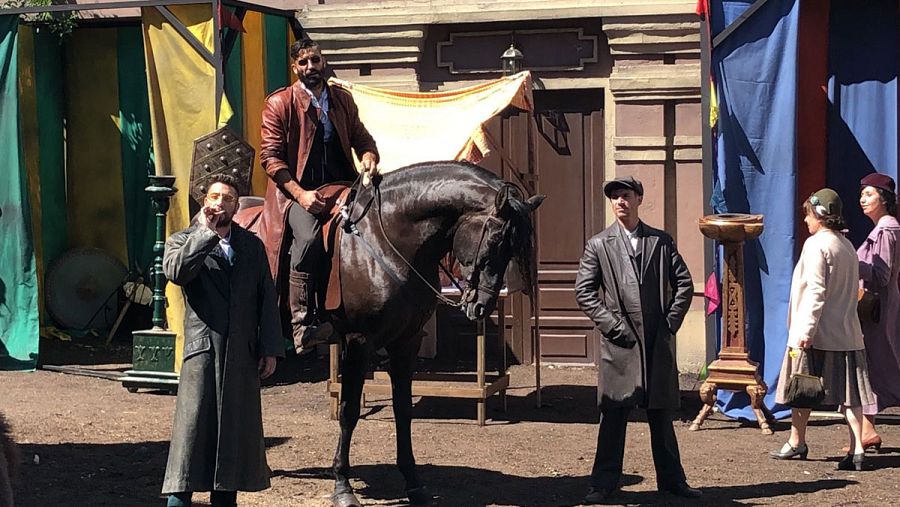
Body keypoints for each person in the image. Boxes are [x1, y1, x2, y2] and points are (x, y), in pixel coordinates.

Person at [574, 175, 699, 503]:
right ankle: (602, 484)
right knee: (613, 417)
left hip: (656, 344)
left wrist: (670, 323)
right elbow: (584, 292)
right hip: (620, 346)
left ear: (639, 199)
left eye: (626, 195)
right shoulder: (598, 244)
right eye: (615, 197)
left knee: (662, 417)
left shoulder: (660, 241)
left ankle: (673, 481)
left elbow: (684, 283)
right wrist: (613, 327)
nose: (620, 202)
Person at [161, 175, 283, 506]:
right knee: (191, 443)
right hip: (202, 355)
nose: (220, 203)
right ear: (205, 202)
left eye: (228, 199)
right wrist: (205, 233)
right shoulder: (182, 240)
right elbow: (176, 272)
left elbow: (265, 298)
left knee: (231, 443)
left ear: (236, 206)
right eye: (214, 197)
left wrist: (270, 348)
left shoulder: (251, 246)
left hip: (241, 358)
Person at [259, 38, 379, 353]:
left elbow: (362, 137)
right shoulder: (280, 103)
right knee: (309, 240)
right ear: (294, 67)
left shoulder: (342, 100)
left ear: (322, 60)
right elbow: (270, 159)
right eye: (303, 63)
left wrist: (368, 156)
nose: (311, 67)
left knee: (375, 226)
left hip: (342, 187)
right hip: (298, 193)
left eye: (315, 60)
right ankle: (301, 327)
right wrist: (300, 195)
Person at [770, 188, 875, 471]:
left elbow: (816, 291)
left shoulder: (817, 245)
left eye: (808, 214)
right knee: (850, 395)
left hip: (816, 335)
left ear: (819, 215)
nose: (805, 220)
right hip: (847, 333)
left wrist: (805, 331)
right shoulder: (847, 245)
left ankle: (796, 441)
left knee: (800, 388)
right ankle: (856, 450)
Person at [856, 173, 900, 451]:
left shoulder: (885, 230)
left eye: (869, 194)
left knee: (876, 363)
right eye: (862, 194)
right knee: (876, 363)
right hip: (882, 306)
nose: (863, 199)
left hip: (877, 309)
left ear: (883, 199)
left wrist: (852, 263)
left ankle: (867, 427)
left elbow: (881, 275)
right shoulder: (885, 228)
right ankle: (866, 428)